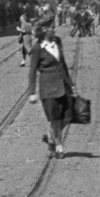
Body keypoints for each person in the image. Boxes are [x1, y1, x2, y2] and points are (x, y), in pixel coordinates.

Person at [27, 18, 75, 158]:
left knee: (67, 116)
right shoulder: (37, 48)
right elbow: (32, 71)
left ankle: (50, 137)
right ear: (44, 30)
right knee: (54, 118)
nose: (55, 30)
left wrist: (71, 84)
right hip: (47, 88)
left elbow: (63, 64)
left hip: (62, 85)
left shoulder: (58, 42)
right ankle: (59, 146)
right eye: (52, 28)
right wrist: (32, 92)